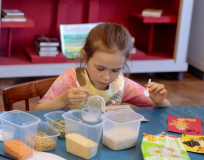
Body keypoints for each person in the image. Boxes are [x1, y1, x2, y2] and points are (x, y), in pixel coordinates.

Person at [36, 23, 171, 110]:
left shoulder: (121, 84)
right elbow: (38, 110)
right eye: (100, 68)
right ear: (85, 57)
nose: (107, 77)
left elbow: (160, 107)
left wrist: (160, 101)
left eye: (115, 70)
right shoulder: (70, 79)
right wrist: (63, 100)